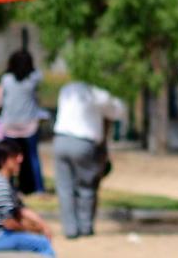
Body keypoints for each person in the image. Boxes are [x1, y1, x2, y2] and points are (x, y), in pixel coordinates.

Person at [52, 80, 125, 239]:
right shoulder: (98, 93)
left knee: (65, 188)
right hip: (83, 143)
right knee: (86, 186)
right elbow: (118, 111)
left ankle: (70, 229)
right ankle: (85, 227)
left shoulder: (67, 88)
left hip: (60, 140)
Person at [0, 141, 55, 256]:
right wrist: (35, 230)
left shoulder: (1, 180)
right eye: (15, 156)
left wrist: (43, 225)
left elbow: (20, 209)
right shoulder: (0, 185)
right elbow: (9, 223)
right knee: (42, 244)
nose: (20, 159)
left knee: (36, 240)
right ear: (2, 160)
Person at [0, 50, 45, 195]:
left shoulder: (6, 79)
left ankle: (9, 187)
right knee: (33, 157)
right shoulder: (34, 78)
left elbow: (0, 101)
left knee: (8, 157)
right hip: (29, 123)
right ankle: (39, 188)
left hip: (9, 123)